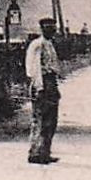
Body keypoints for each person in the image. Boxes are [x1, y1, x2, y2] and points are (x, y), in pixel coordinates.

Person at [26, 18, 61, 165]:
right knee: (40, 119)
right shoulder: (38, 45)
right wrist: (40, 88)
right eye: (48, 27)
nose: (52, 30)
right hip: (43, 83)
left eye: (53, 27)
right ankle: (35, 153)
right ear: (42, 28)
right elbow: (34, 69)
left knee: (51, 121)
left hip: (51, 83)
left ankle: (45, 152)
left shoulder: (50, 44)